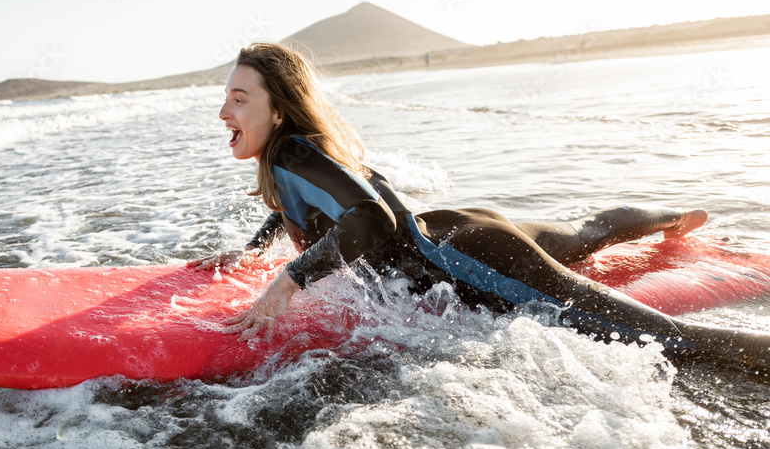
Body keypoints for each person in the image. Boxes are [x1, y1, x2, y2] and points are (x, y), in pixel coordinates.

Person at [188, 42, 768, 371]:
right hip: (465, 230)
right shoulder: (294, 160)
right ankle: (675, 219)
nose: (223, 114)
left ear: (280, 111)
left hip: (474, 260)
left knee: (666, 341)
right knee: (587, 232)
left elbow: (371, 219)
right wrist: (253, 250)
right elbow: (320, 208)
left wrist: (288, 280)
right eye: (226, 99)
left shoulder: (292, 154)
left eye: (239, 100)